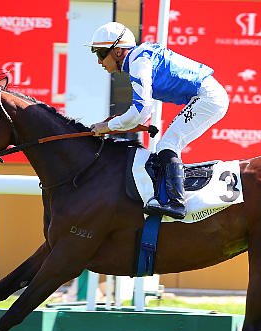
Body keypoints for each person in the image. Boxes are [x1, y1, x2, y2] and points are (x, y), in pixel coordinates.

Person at [87, 22, 229, 220]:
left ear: (118, 51)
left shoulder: (138, 63)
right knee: (166, 145)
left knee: (168, 145)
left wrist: (107, 126)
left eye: (101, 54)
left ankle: (176, 203)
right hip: (208, 96)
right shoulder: (138, 59)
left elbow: (141, 110)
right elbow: (145, 110)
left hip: (207, 98)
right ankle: (171, 198)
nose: (99, 61)